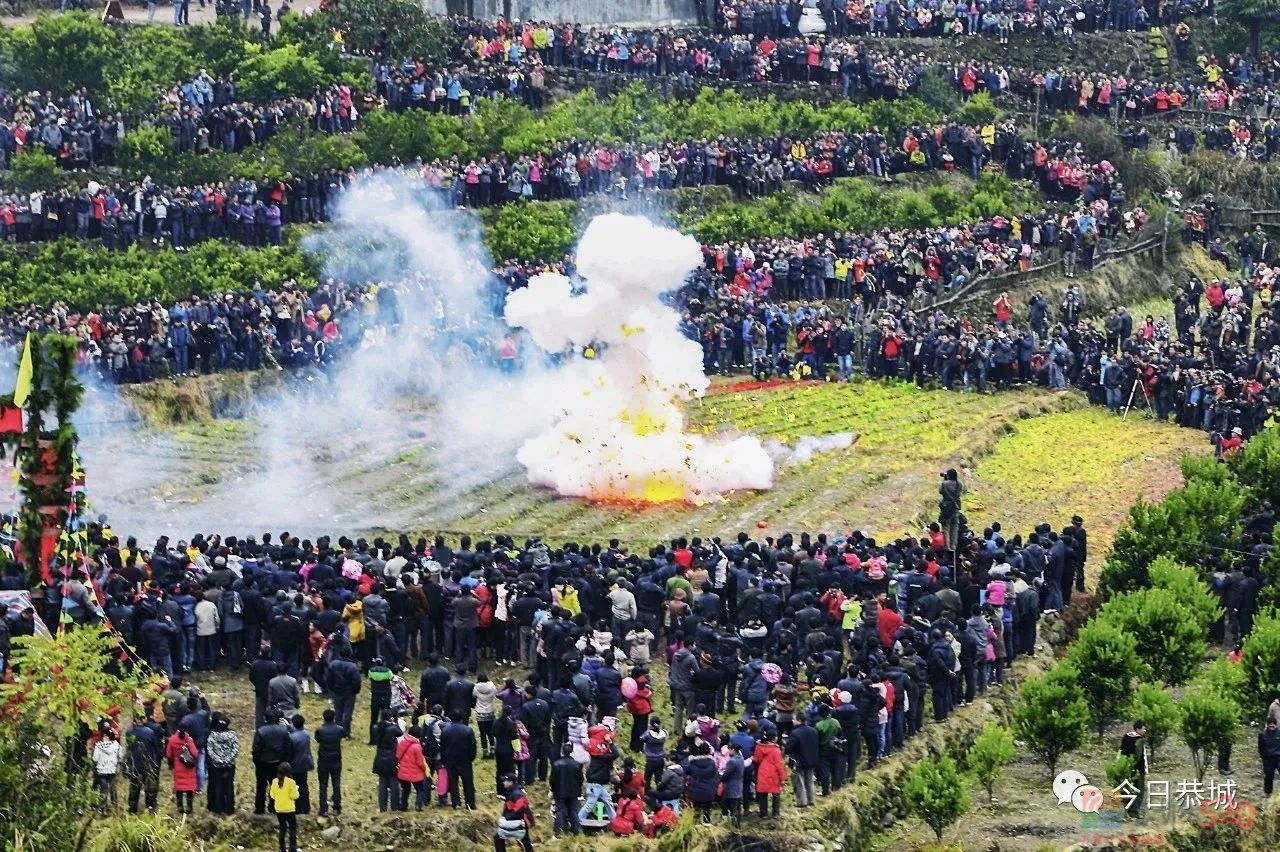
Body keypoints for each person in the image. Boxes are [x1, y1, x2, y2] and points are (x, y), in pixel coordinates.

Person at [252, 709, 291, 815]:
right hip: (278, 762)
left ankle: (259, 808)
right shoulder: (283, 731)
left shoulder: (260, 731)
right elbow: (288, 747)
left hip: (263, 762)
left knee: (261, 785)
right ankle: (273, 806)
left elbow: (256, 748)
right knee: (277, 785)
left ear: (265, 718)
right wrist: (285, 760)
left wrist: (257, 761)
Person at [125, 711, 165, 813]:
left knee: (134, 786)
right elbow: (155, 747)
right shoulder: (149, 732)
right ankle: (150, 806)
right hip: (147, 762)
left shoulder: (129, 732)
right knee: (149, 787)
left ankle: (132, 807)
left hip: (134, 762)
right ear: (143, 719)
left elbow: (129, 747)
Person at [441, 712, 478, 809]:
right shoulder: (468, 730)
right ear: (462, 718)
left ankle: (456, 802)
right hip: (465, 760)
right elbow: (473, 746)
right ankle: (470, 803)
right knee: (468, 782)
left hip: (450, 760)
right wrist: (471, 758)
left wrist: (444, 760)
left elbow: (442, 746)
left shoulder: (445, 730)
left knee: (453, 783)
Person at [206, 712, 240, 815]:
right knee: (229, 786)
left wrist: (219, 760)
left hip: (216, 766)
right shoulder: (232, 735)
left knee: (218, 786)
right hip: (230, 766)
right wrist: (228, 760)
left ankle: (217, 808)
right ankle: (229, 808)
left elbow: (210, 751)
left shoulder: (212, 736)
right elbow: (235, 749)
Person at [314, 708, 345, 816]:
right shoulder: (339, 729)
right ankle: (337, 807)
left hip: (323, 760)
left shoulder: (320, 730)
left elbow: (317, 739)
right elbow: (342, 735)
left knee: (323, 785)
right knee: (336, 784)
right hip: (336, 759)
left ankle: (323, 808)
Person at [493, 773, 535, 852]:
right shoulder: (512, 792)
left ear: (511, 782)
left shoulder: (517, 794)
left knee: (498, 837)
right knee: (526, 842)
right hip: (519, 822)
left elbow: (519, 811)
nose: (503, 782)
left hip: (521, 822)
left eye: (505, 781)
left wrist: (505, 818)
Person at [548, 743, 583, 837]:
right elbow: (580, 779)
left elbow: (552, 780)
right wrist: (578, 788)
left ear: (562, 752)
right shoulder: (577, 765)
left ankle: (560, 832)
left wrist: (553, 789)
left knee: (560, 811)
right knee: (574, 811)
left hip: (560, 792)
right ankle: (577, 831)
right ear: (571, 752)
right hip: (574, 792)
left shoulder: (556, 764)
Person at [372, 709, 403, 812]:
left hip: (380, 757)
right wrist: (394, 722)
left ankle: (382, 806)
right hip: (391, 757)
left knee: (382, 782)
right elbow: (400, 732)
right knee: (394, 782)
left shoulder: (376, 727)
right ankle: (395, 805)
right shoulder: (392, 728)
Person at [166, 722, 200, 815]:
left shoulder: (172, 739)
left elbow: (168, 754)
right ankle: (189, 807)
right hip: (188, 767)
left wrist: (173, 760)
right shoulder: (189, 740)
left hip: (178, 765)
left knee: (179, 787)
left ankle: (180, 806)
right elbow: (195, 754)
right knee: (189, 788)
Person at [753, 730, 787, 818]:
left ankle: (763, 813)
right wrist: (783, 778)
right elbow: (779, 765)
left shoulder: (759, 746)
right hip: (773, 774)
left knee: (763, 794)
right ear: (773, 738)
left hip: (762, 772)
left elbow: (756, 759)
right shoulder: (776, 750)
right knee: (776, 793)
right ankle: (776, 813)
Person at [1119, 720, 1149, 817]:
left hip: (1126, 766)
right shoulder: (1139, 740)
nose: (1145, 731)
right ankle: (1134, 811)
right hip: (1138, 769)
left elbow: (1122, 751)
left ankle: (1126, 808)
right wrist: (1143, 770)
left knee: (1127, 788)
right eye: (1144, 729)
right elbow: (1140, 757)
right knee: (1140, 790)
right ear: (1138, 729)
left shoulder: (1126, 737)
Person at [396, 725, 429, 811]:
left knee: (406, 790)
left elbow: (397, 756)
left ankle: (403, 806)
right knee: (420, 789)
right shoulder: (417, 746)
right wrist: (425, 769)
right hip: (415, 773)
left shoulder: (402, 742)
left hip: (403, 771)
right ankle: (418, 805)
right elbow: (420, 762)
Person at [269, 761, 300, 852]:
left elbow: (272, 795)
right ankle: (292, 847)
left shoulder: (274, 782)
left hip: (279, 809)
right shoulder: (291, 782)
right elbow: (294, 796)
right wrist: (297, 790)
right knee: (292, 828)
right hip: (289, 809)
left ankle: (281, 848)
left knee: (282, 828)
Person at [92, 726, 121, 815]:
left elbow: (95, 759)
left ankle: (103, 809)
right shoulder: (116, 745)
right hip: (112, 769)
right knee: (113, 788)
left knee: (103, 790)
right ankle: (115, 807)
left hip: (102, 770)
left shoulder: (98, 746)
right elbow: (121, 756)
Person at [288, 714, 314, 815]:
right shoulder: (307, 735)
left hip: (294, 765)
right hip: (304, 764)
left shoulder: (291, 737)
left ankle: (297, 808)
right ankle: (306, 807)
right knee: (304, 786)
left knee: (295, 787)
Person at [368, 657, 394, 745]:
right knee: (385, 719)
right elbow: (392, 678)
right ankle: (383, 739)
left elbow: (370, 677)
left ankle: (372, 740)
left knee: (373, 719)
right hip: (385, 697)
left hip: (375, 696)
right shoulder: (388, 671)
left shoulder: (371, 671)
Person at [1259, 718, 1280, 797]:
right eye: (1270, 724)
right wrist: (1263, 757)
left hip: (1278, 758)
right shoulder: (1262, 734)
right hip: (1268, 759)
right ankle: (1267, 792)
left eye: (1273, 724)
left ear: (1276, 724)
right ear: (1267, 725)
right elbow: (1260, 748)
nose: (1272, 725)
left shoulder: (1279, 732)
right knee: (1268, 776)